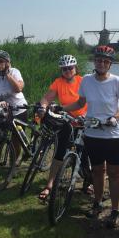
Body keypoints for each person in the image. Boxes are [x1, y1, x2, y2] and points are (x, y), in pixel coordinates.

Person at [64, 45, 119, 228]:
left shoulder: (117, 81)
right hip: (92, 132)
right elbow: (80, 102)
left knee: (115, 173)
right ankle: (98, 203)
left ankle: (115, 210)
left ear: (110, 64)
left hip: (113, 134)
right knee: (97, 171)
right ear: (95, 62)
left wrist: (115, 118)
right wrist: (61, 108)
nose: (102, 63)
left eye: (106, 61)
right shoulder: (86, 80)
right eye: (99, 60)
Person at [37, 54, 87, 201]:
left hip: (83, 120)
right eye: (64, 69)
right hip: (66, 120)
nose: (67, 71)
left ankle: (88, 181)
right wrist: (43, 107)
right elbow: (47, 97)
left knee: (86, 153)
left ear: (75, 68)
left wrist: (85, 115)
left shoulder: (83, 81)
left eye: (70, 68)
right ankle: (49, 184)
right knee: (59, 153)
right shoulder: (58, 82)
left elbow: (90, 100)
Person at [0, 50, 27, 178]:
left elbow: (18, 88)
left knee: (16, 140)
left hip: (19, 109)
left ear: (8, 63)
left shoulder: (15, 72)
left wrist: (8, 75)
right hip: (1, 112)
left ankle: (13, 166)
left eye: (1, 61)